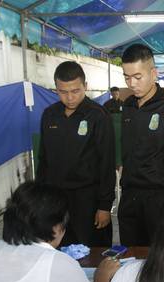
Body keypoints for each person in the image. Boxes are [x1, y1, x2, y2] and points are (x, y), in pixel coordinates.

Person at [118, 44, 164, 247]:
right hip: (130, 196)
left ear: (154, 73)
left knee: (161, 259)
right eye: (126, 77)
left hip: (160, 199)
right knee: (130, 257)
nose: (132, 83)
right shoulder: (128, 106)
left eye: (138, 77)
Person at [37, 61, 115, 248]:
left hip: (87, 199)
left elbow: (107, 162)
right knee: (59, 250)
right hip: (56, 199)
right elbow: (44, 159)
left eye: (75, 91)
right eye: (63, 92)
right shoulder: (49, 115)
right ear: (56, 89)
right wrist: (40, 199)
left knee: (90, 251)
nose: (70, 97)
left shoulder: (98, 116)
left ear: (85, 87)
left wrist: (104, 205)